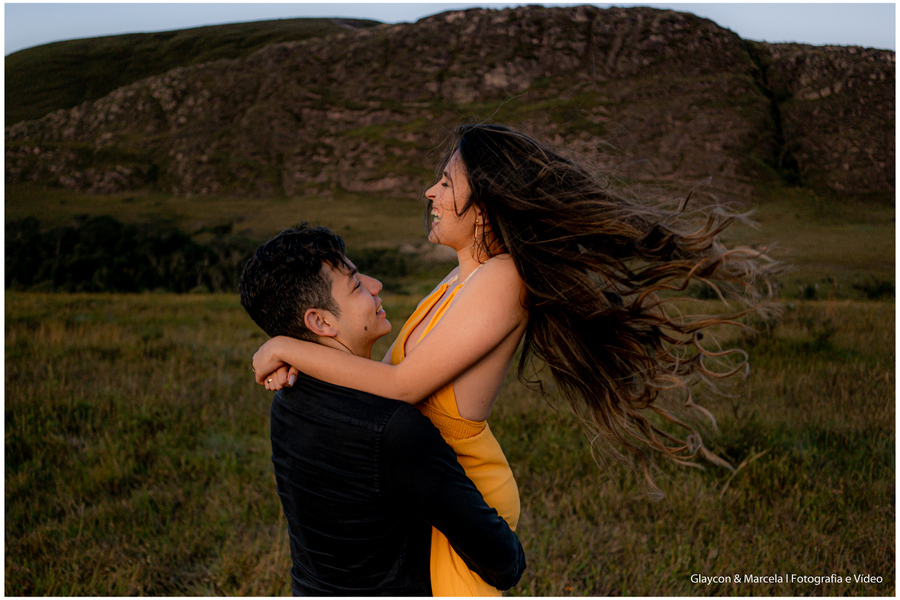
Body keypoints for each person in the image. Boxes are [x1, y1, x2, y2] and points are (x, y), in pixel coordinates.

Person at [253, 123, 776, 594]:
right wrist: (310, 362)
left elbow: (405, 385)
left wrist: (284, 347)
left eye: (446, 184)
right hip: (431, 476)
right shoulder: (461, 277)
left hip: (464, 481)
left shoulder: (503, 279)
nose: (429, 192)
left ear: (485, 207)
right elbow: (382, 376)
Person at [239, 223, 526, 596]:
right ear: (321, 321)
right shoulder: (392, 428)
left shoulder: (288, 399)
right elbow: (502, 562)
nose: (375, 285)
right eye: (356, 284)